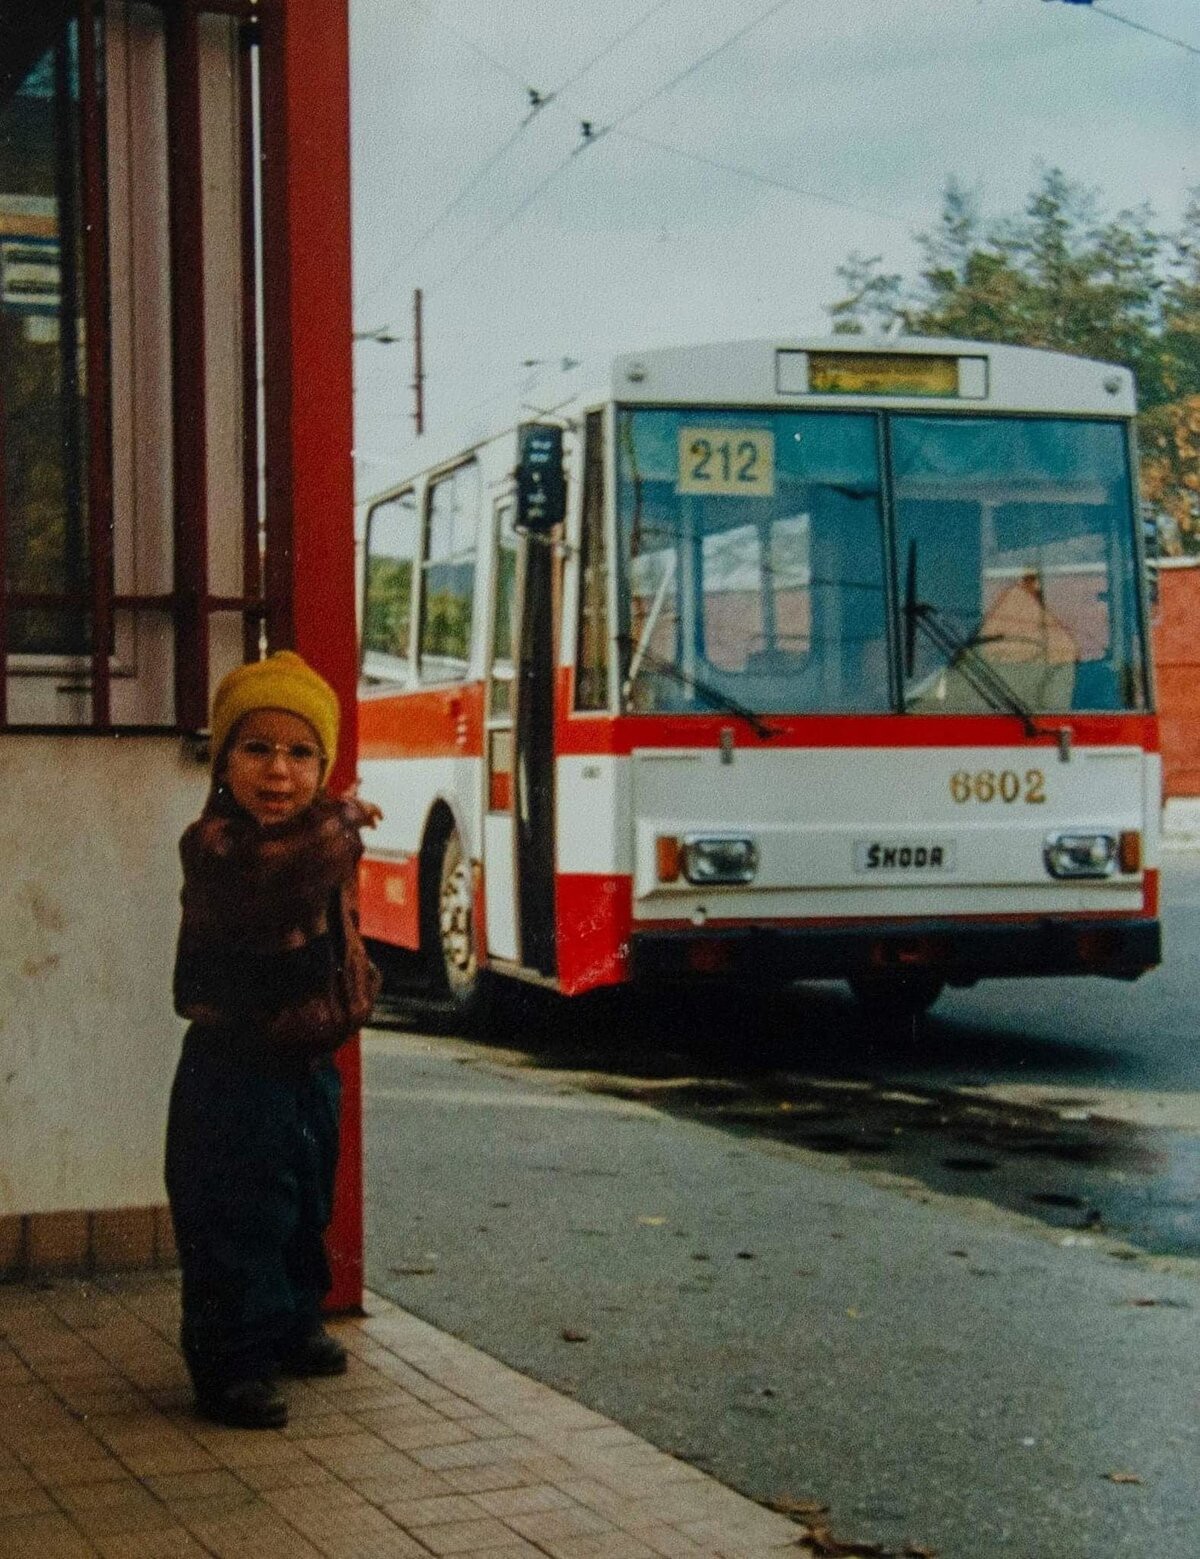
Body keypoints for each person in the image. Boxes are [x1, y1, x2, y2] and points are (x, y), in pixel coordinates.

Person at [165, 651, 381, 1429]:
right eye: (256, 749)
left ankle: (292, 1322)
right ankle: (229, 1363)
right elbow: (275, 883)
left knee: (301, 1198)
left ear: (321, 765)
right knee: (235, 1212)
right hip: (233, 1065)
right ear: (224, 760)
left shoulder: (319, 841)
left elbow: (340, 935)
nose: (279, 772)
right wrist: (345, 820)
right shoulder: (218, 844)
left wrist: (356, 993)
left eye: (300, 753)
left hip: (304, 1059)